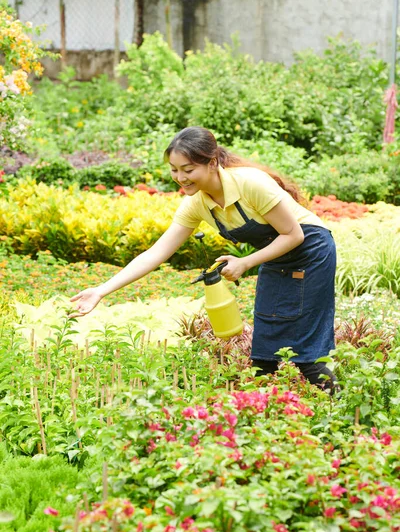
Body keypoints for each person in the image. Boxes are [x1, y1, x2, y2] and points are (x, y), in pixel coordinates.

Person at [71, 126, 337, 392]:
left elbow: (294, 235)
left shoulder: (249, 183)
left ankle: (339, 413)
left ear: (212, 163)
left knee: (305, 350)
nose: (180, 178)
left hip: (310, 252)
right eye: (174, 170)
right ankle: (261, 419)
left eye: (188, 170)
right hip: (276, 256)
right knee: (264, 352)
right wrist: (101, 291)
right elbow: (156, 253)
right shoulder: (196, 203)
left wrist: (245, 262)